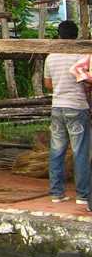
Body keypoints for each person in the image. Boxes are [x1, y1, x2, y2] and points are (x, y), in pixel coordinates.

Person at [44, 20, 90, 208]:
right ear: (76, 35)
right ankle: (83, 195)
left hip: (57, 107)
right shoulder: (82, 54)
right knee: (80, 152)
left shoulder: (51, 56)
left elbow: (48, 84)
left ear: (59, 35)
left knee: (56, 151)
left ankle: (56, 193)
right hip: (77, 107)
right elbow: (87, 81)